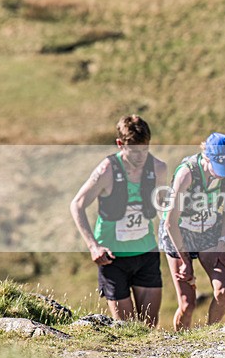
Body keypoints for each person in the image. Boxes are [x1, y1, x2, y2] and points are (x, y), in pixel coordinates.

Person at [70, 115, 168, 326]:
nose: (141, 156)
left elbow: (162, 207)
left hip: (146, 253)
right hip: (112, 258)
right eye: (134, 151)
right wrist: (93, 246)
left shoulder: (158, 168)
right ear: (120, 144)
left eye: (145, 149)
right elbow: (77, 205)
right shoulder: (107, 170)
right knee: (126, 329)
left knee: (150, 326)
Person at [159, 133, 225, 330]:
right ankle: (181, 342)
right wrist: (184, 260)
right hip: (178, 233)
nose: (222, 174)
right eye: (218, 168)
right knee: (187, 304)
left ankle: (209, 336)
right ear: (206, 157)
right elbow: (170, 222)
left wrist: (222, 241)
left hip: (209, 231)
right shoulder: (186, 174)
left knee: (223, 292)